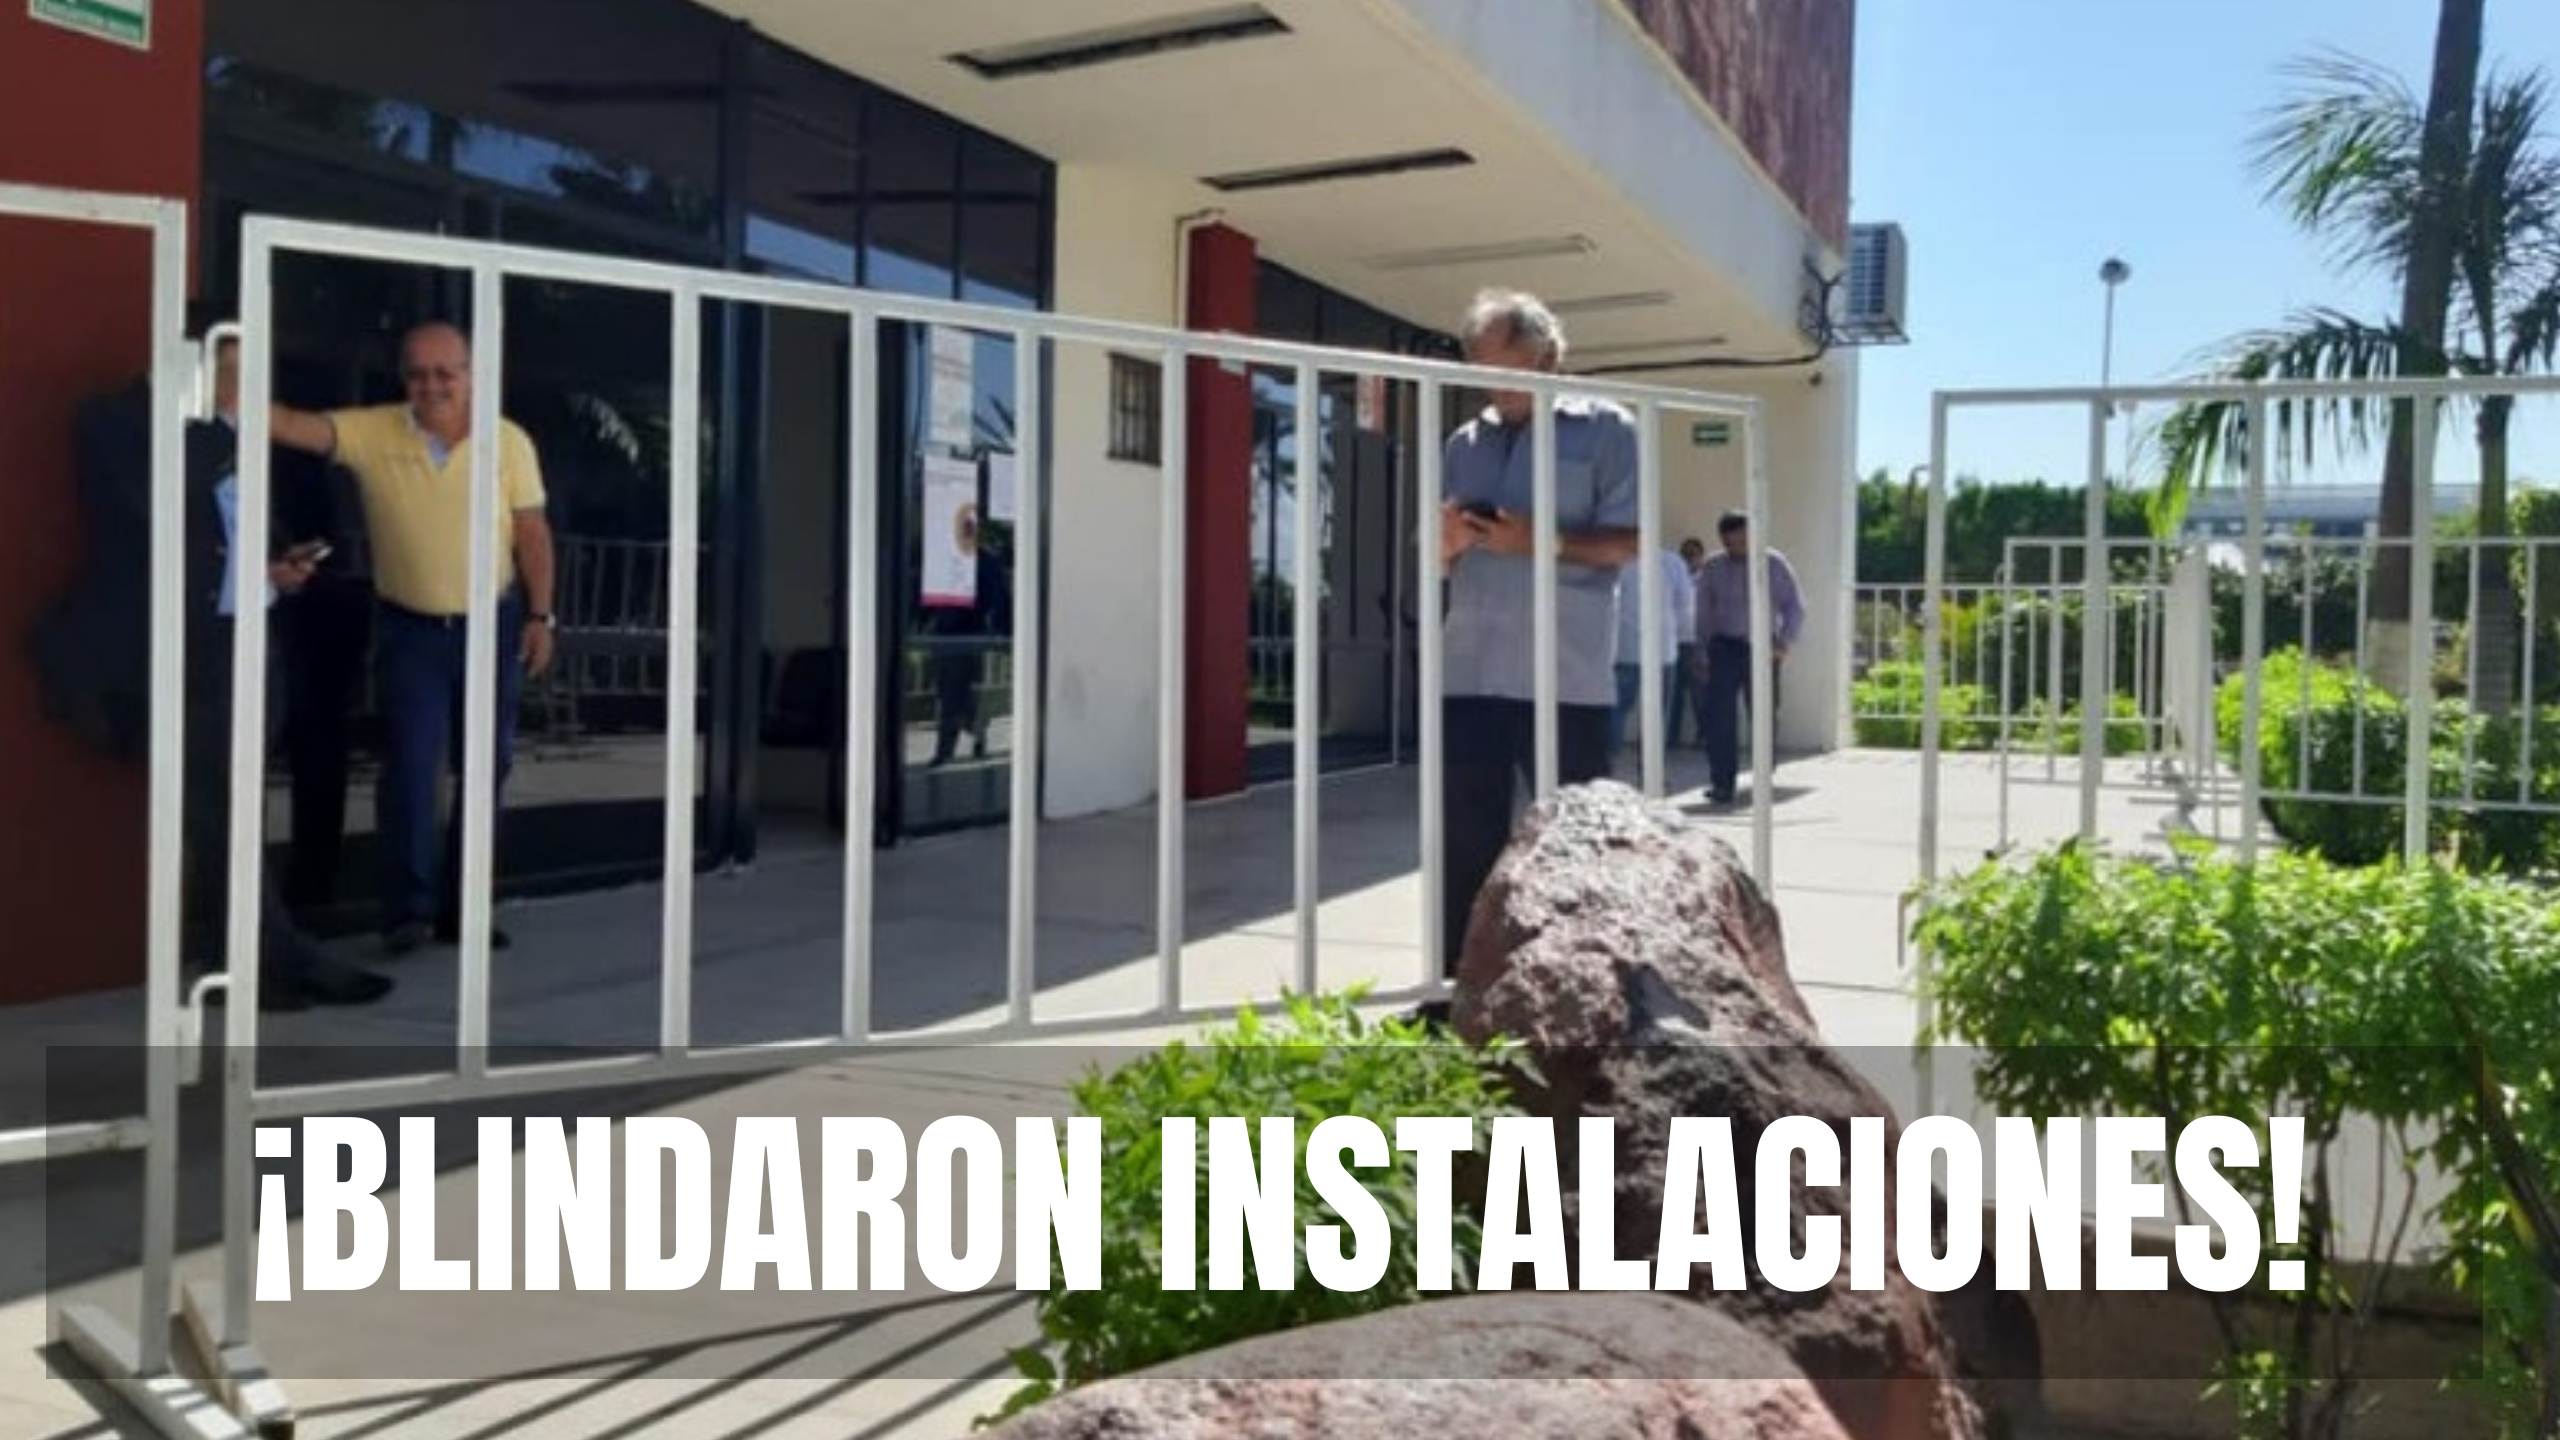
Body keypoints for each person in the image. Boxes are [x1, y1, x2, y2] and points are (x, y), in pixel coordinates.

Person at [29, 328, 393, 1009]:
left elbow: (226, 531)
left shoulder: (226, 437)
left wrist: (275, 568)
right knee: (218, 809)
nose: (243, 388)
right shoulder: (115, 421)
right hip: (183, 651)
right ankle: (269, 963)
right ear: (188, 363)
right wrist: (220, 425)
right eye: (231, 370)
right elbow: (152, 507)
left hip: (250, 638)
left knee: (233, 809)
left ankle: (250, 958)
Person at [268, 322, 557, 957]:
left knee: (485, 769)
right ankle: (407, 913)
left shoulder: (508, 441)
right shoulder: (377, 431)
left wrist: (542, 616)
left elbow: (532, 534)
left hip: (491, 626)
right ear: (404, 378)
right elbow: (295, 427)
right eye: (418, 374)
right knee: (409, 769)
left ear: (471, 375)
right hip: (411, 630)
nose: (432, 386)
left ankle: (467, 911)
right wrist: (223, 389)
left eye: (445, 373)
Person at [1435, 289, 1639, 975]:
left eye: (1509, 369)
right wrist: (1446, 546)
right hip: (1470, 669)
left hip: (1565, 675)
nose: (1497, 389)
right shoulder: (1463, 443)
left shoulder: (1609, 431)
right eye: (1483, 372)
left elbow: (1631, 542)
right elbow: (1434, 557)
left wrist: (1541, 542)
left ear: (1549, 356)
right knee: (1465, 843)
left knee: (1579, 844)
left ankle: (1587, 984)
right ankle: (1457, 988)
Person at [1691, 509, 1805, 806]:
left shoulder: (1773, 563)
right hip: (1723, 647)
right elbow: (1704, 610)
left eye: (1742, 542)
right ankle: (1722, 783)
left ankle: (1763, 776)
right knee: (1719, 718)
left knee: (1764, 714)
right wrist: (1702, 650)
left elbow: (1794, 605)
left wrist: (1785, 642)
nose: (1736, 549)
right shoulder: (1713, 566)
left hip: (1762, 647)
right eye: (1729, 543)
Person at [1611, 546, 1694, 756]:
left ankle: (1607, 764)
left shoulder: (1620, 559)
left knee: (1618, 709)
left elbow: (1611, 601)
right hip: (1662, 649)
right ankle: (1651, 768)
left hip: (1626, 647)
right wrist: (1676, 632)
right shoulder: (1673, 562)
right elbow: (1685, 605)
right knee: (1656, 714)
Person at [1671, 536, 1708, 744]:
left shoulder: (1707, 580)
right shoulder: (1676, 577)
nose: (1689, 559)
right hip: (1675, 641)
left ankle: (1704, 736)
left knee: (1700, 693)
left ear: (1701, 556)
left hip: (1697, 642)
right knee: (1673, 694)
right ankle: (1671, 736)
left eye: (1693, 555)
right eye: (1685, 555)